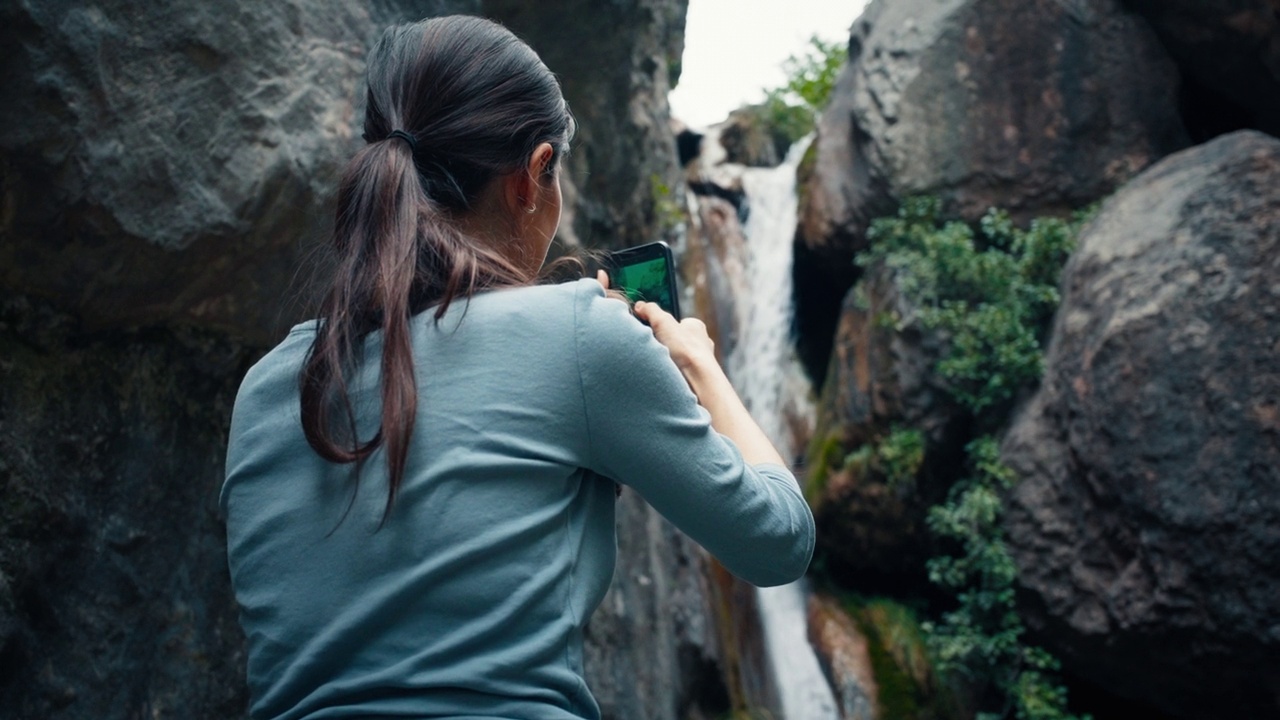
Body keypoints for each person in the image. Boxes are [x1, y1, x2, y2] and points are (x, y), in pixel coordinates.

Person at [220, 14, 814, 720]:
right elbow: (779, 541)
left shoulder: (264, 389)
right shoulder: (577, 332)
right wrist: (699, 365)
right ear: (533, 176)